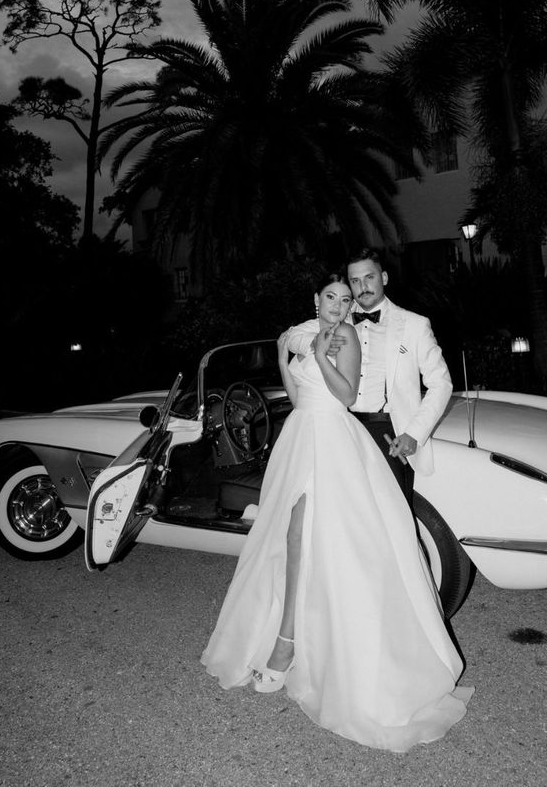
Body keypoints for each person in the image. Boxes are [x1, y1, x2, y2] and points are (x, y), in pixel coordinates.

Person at [201, 272, 472, 752]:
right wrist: (290, 355)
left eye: (346, 299)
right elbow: (290, 382)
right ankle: (289, 636)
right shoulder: (302, 330)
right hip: (300, 433)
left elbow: (345, 395)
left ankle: (288, 645)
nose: (340, 305)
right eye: (332, 297)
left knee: (314, 536)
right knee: (287, 534)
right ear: (316, 299)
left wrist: (324, 356)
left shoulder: (343, 335)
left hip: (332, 438)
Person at [287, 248, 453, 508]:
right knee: (346, 516)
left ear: (384, 277)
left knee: (392, 517)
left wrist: (414, 434)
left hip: (388, 433)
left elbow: (441, 383)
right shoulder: (338, 313)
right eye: (354, 281)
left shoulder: (414, 325)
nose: (362, 287)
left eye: (369, 277)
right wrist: (316, 343)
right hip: (341, 428)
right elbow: (292, 335)